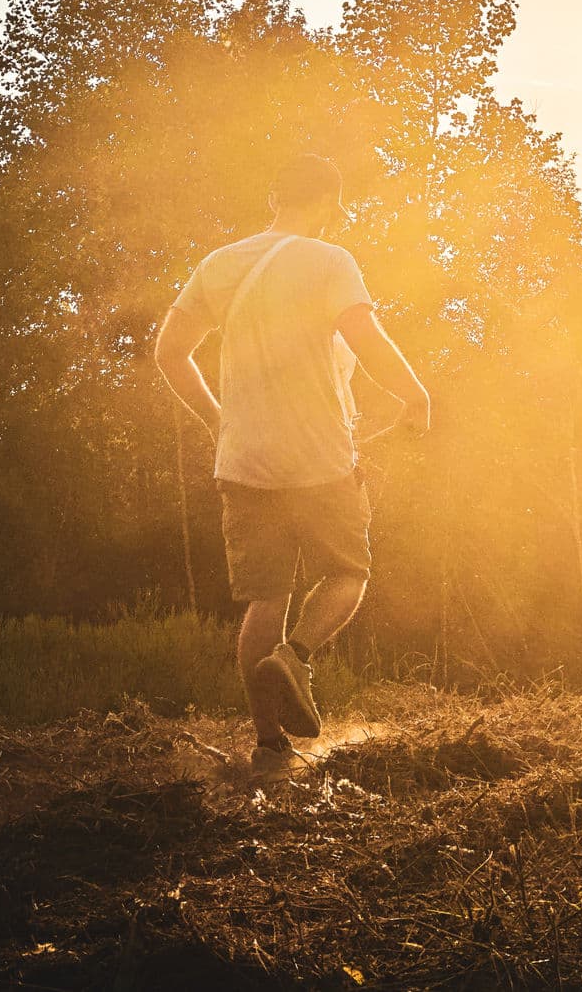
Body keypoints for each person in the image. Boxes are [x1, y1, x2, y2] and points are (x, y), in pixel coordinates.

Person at [154, 154, 430, 777]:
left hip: (245, 463)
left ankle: (269, 747)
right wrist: (416, 397)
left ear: (274, 196)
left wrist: (216, 419)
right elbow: (368, 340)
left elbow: (169, 353)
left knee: (264, 599)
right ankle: (298, 656)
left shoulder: (219, 265)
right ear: (331, 204)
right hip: (321, 459)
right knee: (348, 573)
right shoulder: (330, 261)